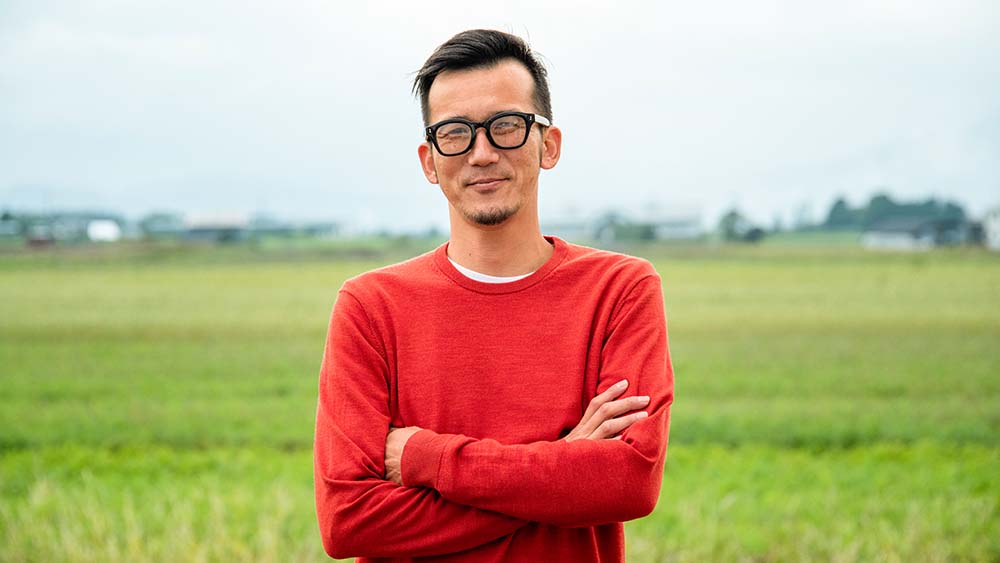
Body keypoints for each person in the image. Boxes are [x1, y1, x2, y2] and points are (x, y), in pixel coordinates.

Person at [314, 29, 674, 562]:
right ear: (429, 160)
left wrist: (425, 457)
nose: (482, 153)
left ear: (547, 145)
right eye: (455, 133)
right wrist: (564, 465)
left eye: (506, 126)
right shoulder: (371, 306)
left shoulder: (619, 291)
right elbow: (350, 522)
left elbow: (627, 483)